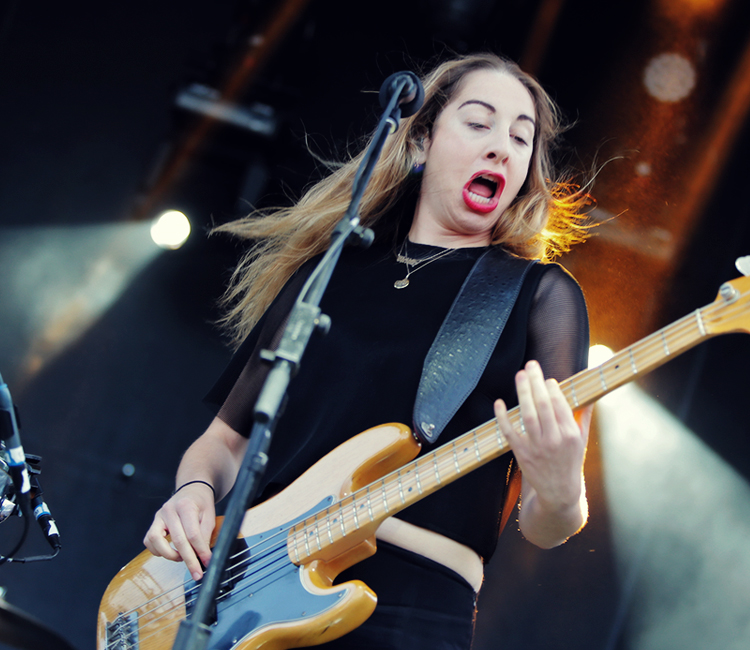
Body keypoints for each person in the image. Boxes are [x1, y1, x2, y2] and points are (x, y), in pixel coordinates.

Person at [142, 52, 594, 649]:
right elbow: (226, 442)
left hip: (411, 611)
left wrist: (563, 492)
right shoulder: (330, 273)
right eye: (479, 123)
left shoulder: (538, 297)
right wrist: (193, 492)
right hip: (250, 596)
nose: (501, 148)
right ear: (422, 140)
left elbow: (545, 524)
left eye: (520, 137)